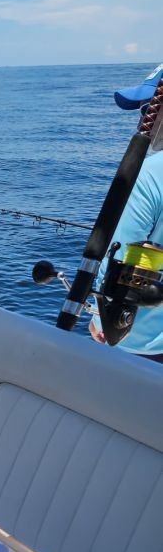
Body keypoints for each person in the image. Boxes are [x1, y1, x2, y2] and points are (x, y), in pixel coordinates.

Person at [90, 63, 163, 363]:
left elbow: (118, 261)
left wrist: (99, 320)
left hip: (144, 349)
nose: (141, 119)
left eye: (148, 109)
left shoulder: (149, 176)